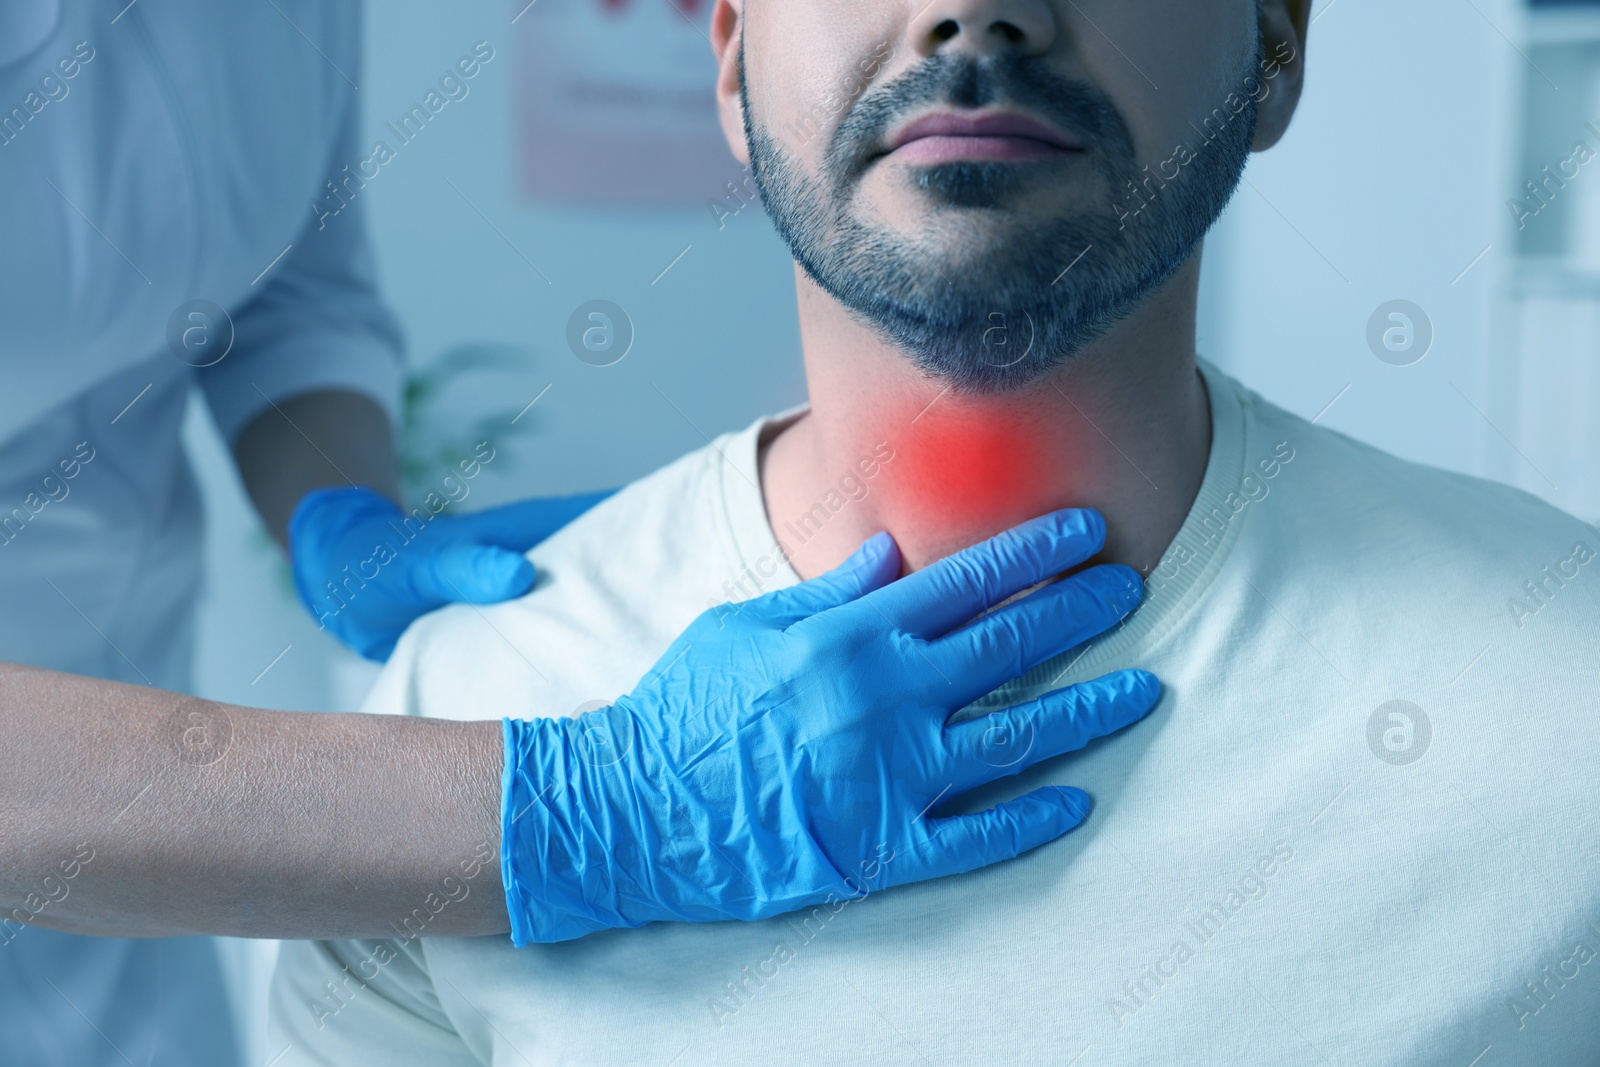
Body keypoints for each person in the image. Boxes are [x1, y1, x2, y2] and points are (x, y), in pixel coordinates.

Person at [269, 0, 1600, 1063]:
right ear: (730, 58)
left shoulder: (1565, 692)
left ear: (1275, 44)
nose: (975, 16)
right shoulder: (477, 711)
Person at [0, 3, 1158, 1064]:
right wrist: (591, 809)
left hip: (123, 850)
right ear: (733, 53)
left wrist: (332, 512)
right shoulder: (473, 689)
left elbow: (279, 292)